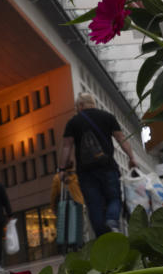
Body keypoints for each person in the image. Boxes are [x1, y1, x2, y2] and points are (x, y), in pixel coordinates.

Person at [59, 93, 140, 235]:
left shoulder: (73, 122)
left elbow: (67, 146)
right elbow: (121, 139)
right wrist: (131, 157)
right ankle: (111, 220)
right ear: (93, 103)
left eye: (77, 107)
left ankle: (102, 237)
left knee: (94, 204)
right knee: (114, 198)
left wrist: (61, 168)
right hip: (107, 167)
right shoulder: (107, 117)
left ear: (80, 105)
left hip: (86, 172)